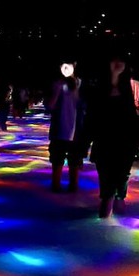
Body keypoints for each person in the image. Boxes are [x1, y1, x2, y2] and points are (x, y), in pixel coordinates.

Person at [85, 53, 139, 218]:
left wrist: (138, 141)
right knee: (107, 181)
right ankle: (109, 211)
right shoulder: (99, 91)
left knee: (121, 176)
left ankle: (118, 200)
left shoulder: (127, 91)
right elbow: (91, 117)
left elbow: (132, 118)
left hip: (124, 143)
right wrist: (83, 145)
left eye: (121, 61)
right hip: (104, 142)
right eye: (114, 60)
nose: (117, 64)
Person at [46, 60, 84, 193]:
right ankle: (55, 186)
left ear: (74, 66)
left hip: (76, 130)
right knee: (57, 160)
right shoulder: (56, 84)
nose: (66, 68)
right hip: (59, 130)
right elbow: (50, 106)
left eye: (69, 66)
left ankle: (73, 187)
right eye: (63, 66)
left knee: (74, 160)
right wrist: (56, 92)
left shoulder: (80, 84)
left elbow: (84, 106)